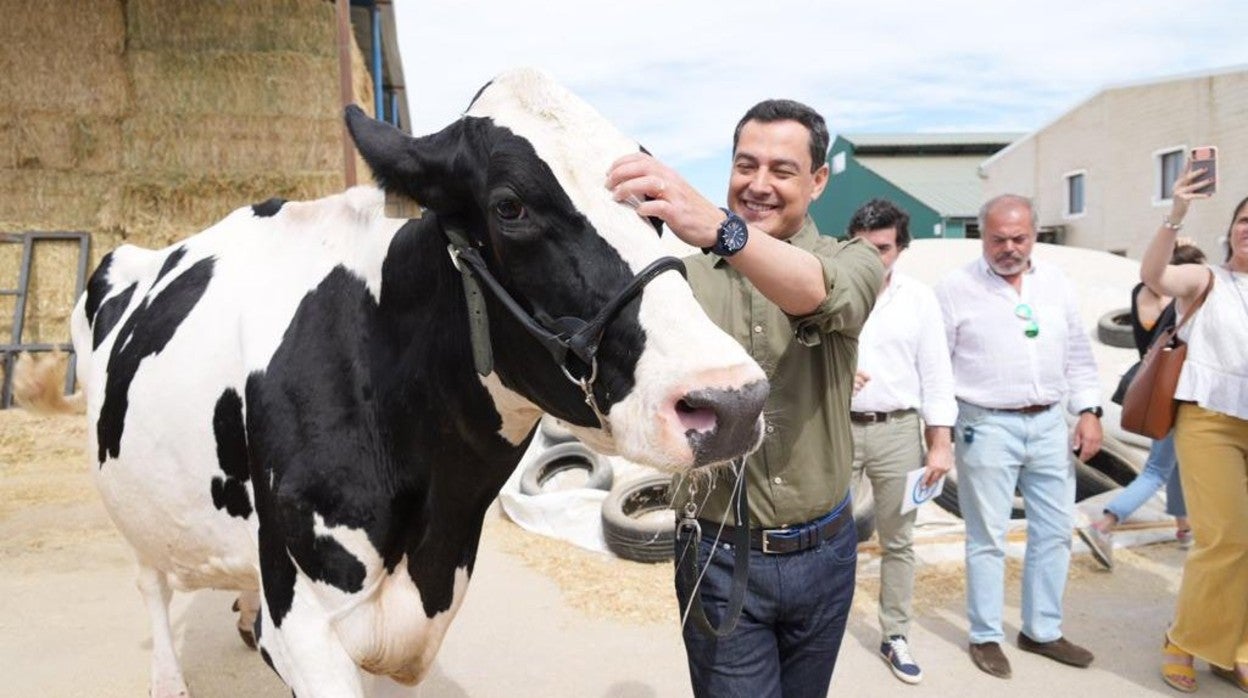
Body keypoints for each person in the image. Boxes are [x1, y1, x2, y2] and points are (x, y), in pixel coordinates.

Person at [606, 100, 884, 697]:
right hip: (717, 555)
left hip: (826, 555)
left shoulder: (854, 259)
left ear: (817, 181)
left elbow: (822, 295)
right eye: (745, 165)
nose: (758, 185)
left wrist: (721, 230)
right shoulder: (675, 280)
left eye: (782, 170)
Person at [935, 194, 1102, 679]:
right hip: (984, 425)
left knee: (1053, 530)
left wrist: (1088, 410)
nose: (1009, 248)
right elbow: (937, 367)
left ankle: (1041, 630)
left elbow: (1077, 352)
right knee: (987, 535)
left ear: (1035, 234)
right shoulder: (955, 288)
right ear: (981, 236)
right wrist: (939, 433)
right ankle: (985, 635)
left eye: (1020, 238)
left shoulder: (1056, 283)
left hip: (1050, 423)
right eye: (998, 239)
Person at [1143, 166, 1248, 694]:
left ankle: (1232, 648)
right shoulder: (1208, 279)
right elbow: (1157, 276)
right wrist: (1176, 213)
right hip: (1210, 420)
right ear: (1230, 230)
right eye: (1244, 220)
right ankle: (1183, 640)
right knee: (1225, 538)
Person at [846, 198, 957, 684]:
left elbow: (936, 373)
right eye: (864, 247)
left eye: (884, 248)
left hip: (898, 431)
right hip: (837, 426)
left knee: (899, 539)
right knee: (825, 537)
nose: (874, 258)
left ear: (901, 249)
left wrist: (940, 442)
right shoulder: (827, 288)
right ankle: (816, 628)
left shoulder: (920, 299)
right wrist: (835, 375)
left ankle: (895, 635)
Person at [1077, 242, 1206, 570]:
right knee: (1156, 469)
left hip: (1151, 388)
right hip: (1175, 391)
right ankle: (1103, 526)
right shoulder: (1179, 302)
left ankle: (1183, 527)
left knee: (1171, 461)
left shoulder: (1141, 293)